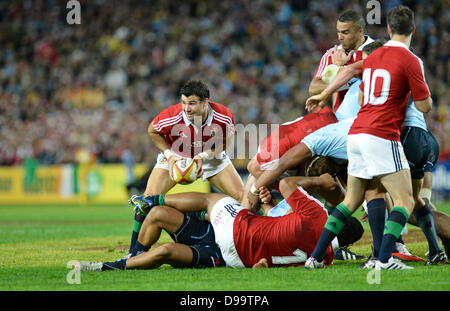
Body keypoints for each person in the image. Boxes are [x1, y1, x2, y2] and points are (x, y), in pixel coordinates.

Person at [305, 5, 437, 270]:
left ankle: (316, 257)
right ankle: (385, 259)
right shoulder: (411, 60)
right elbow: (424, 107)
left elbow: (358, 83)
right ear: (412, 30)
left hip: (356, 133)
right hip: (383, 134)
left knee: (353, 199)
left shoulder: (375, 56)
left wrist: (323, 94)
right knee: (406, 200)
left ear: (388, 29)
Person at [114, 173, 363, 269]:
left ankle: (153, 202)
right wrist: (267, 204)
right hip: (243, 259)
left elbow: (286, 186)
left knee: (215, 199)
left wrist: (320, 181)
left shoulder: (318, 214)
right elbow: (279, 228)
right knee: (165, 240)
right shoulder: (324, 258)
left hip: (237, 237)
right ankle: (130, 259)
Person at [127, 80, 244, 257]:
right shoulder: (172, 115)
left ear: (205, 102)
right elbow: (152, 130)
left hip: (209, 157)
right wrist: (169, 154)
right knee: (146, 202)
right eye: (184, 102)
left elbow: (227, 140)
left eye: (192, 103)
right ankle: (133, 253)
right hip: (175, 155)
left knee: (243, 197)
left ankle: (248, 243)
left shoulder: (223, 116)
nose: (186, 108)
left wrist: (204, 156)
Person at [309, 10, 374, 112]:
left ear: (360, 32)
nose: (340, 37)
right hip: (342, 121)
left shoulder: (377, 50)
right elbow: (314, 88)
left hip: (370, 117)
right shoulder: (333, 54)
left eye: (345, 32)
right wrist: (347, 80)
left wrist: (341, 73)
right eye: (338, 32)